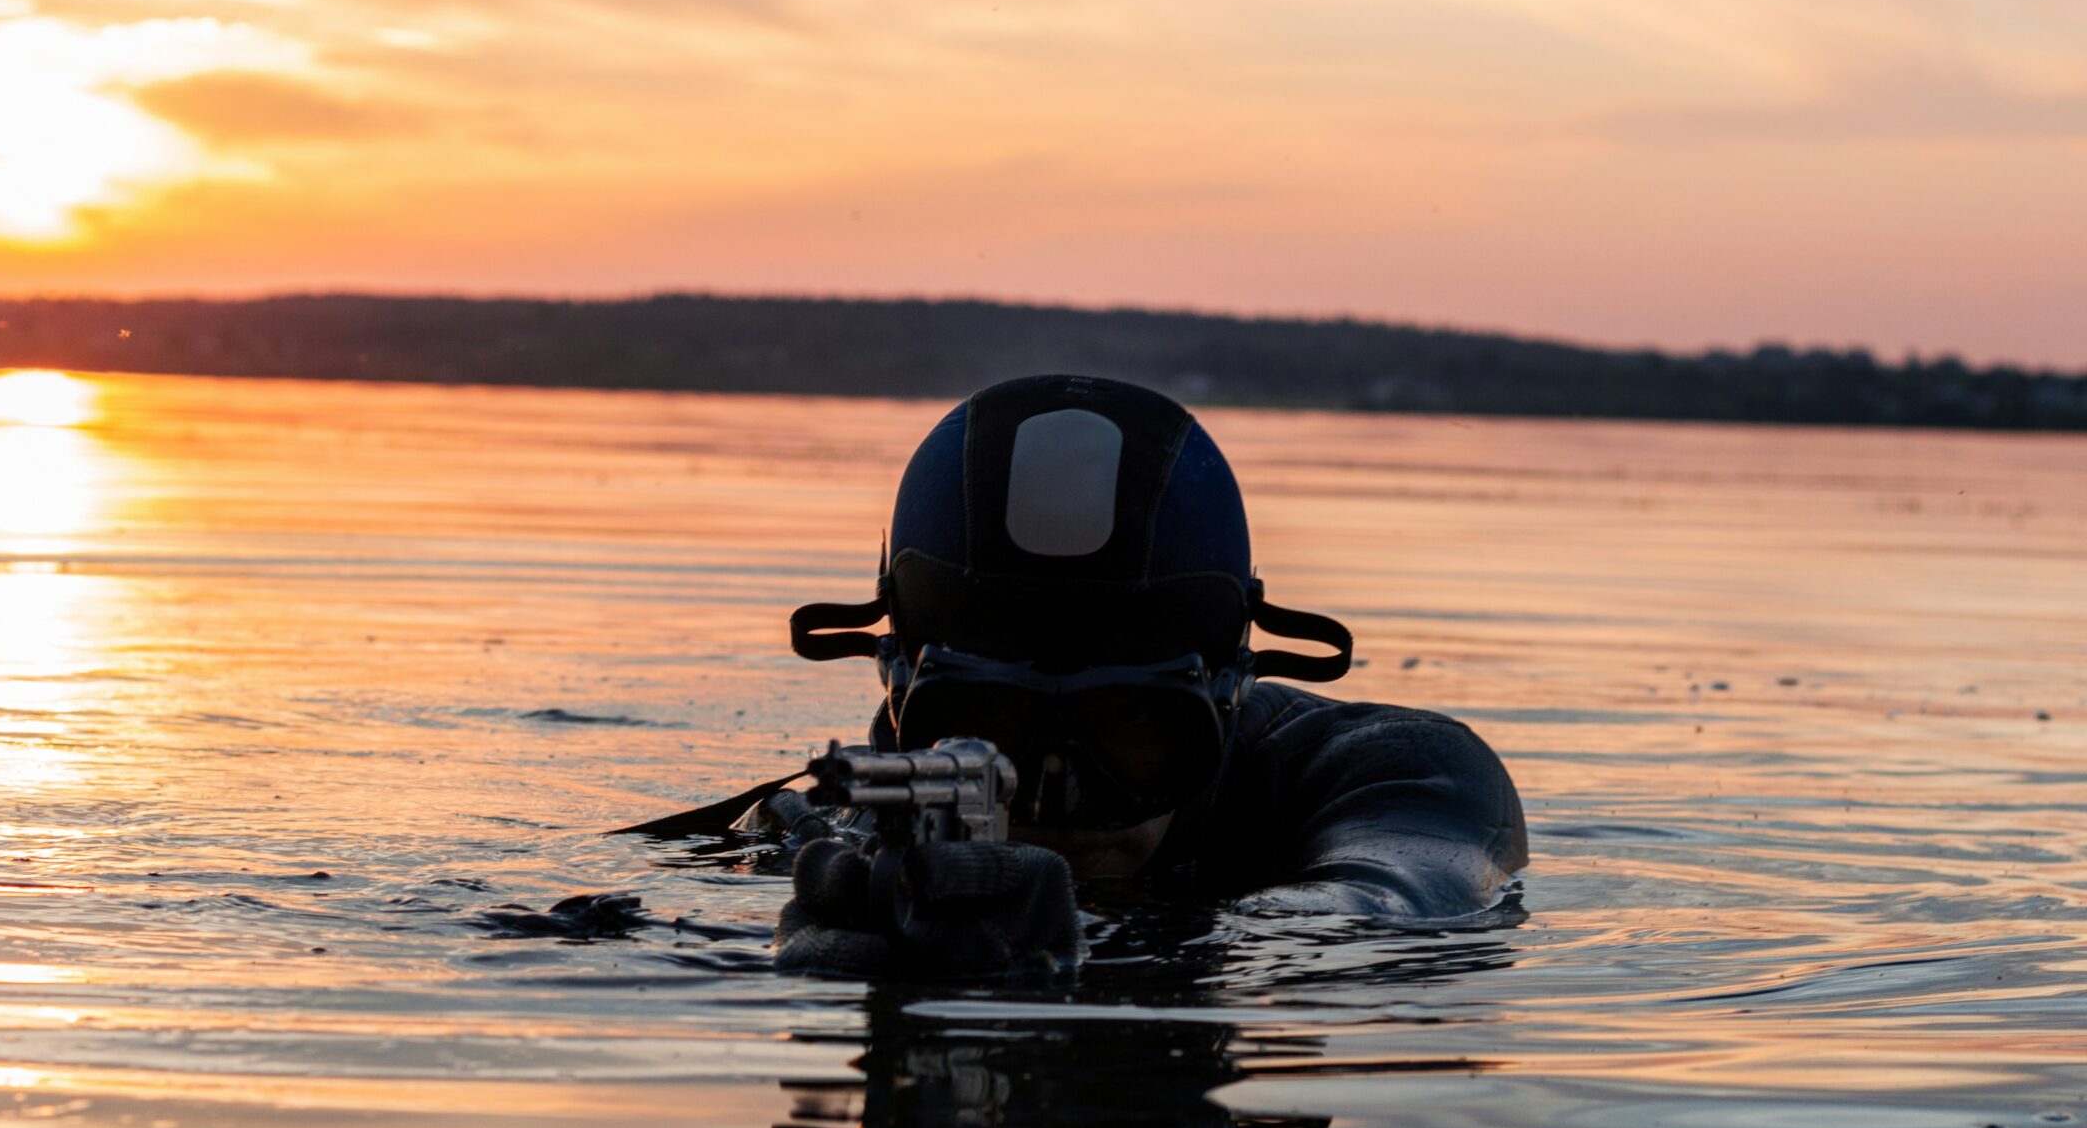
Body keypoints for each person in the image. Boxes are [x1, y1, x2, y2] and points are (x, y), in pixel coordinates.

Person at [639, 372, 1528, 974]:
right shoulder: (845, 825)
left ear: (1228, 696)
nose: (1058, 802)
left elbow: (1395, 896)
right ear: (900, 698)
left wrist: (1103, 937)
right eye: (994, 730)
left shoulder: (1399, 775)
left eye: (1131, 722)